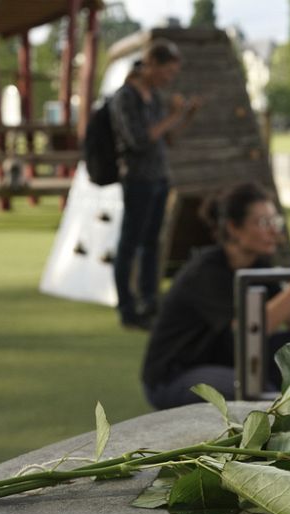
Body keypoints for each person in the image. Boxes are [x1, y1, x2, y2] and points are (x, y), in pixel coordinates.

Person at [141, 183, 290, 410]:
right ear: (234, 228)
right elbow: (248, 330)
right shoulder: (205, 272)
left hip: (222, 364)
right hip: (175, 376)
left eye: (275, 221)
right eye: (263, 223)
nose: (274, 231)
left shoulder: (259, 266)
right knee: (257, 397)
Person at [109, 39, 199, 330]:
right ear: (150, 65)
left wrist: (185, 117)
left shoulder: (155, 96)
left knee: (151, 245)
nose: (169, 78)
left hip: (159, 178)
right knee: (130, 244)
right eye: (166, 72)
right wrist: (173, 115)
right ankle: (127, 308)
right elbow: (139, 139)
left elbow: (167, 137)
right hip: (137, 179)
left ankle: (149, 303)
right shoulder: (125, 97)